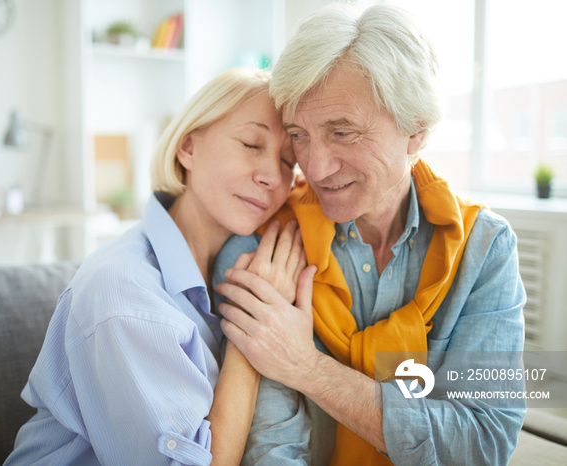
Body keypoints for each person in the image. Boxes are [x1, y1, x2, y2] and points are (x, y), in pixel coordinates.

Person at [214, 3, 526, 465]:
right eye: (300, 134)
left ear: (415, 132)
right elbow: (274, 452)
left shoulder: (485, 250)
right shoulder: (265, 248)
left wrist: (310, 369)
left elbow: (484, 440)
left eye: (343, 133)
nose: (315, 168)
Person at [4, 67, 314, 465]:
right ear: (187, 147)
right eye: (252, 144)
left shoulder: (244, 264)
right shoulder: (125, 295)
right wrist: (254, 329)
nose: (273, 175)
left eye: (289, 162)